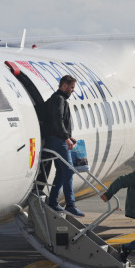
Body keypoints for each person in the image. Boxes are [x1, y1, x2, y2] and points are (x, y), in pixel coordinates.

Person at [44, 75, 85, 217]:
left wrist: (68, 136)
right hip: (57, 141)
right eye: (72, 87)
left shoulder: (57, 99)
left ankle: (53, 202)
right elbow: (58, 120)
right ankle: (70, 204)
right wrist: (65, 138)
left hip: (57, 138)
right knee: (68, 171)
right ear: (64, 86)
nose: (73, 90)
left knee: (61, 172)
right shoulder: (59, 100)